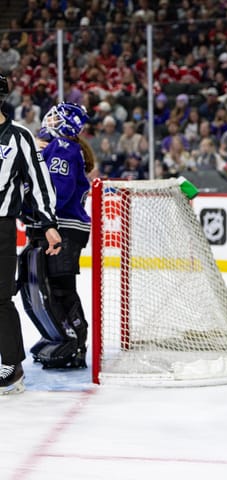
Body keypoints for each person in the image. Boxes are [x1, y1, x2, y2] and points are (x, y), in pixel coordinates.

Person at [20, 102, 96, 370]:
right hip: (60, 226)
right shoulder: (60, 147)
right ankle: (64, 337)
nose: (49, 119)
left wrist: (35, 211)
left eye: (55, 116)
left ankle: (76, 341)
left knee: (61, 289)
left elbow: (56, 195)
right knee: (49, 288)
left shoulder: (63, 149)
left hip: (64, 227)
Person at [0, 74, 62, 394]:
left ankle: (12, 366)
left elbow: (38, 183)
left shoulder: (19, 137)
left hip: (2, 227)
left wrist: (49, 223)